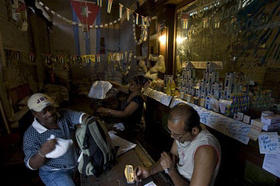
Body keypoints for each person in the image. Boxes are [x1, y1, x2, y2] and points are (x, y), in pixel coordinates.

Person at [134, 103, 221, 186]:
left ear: (194, 131)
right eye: (171, 131)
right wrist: (149, 171)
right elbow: (170, 159)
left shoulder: (205, 150)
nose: (172, 136)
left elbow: (170, 166)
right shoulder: (182, 134)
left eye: (176, 134)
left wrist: (171, 170)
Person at [23, 93, 89, 186]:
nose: (49, 113)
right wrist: (42, 152)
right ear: (35, 113)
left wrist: (89, 121)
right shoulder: (31, 135)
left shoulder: (63, 115)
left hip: (77, 163)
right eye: (44, 111)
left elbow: (83, 117)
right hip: (55, 172)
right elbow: (32, 165)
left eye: (50, 108)